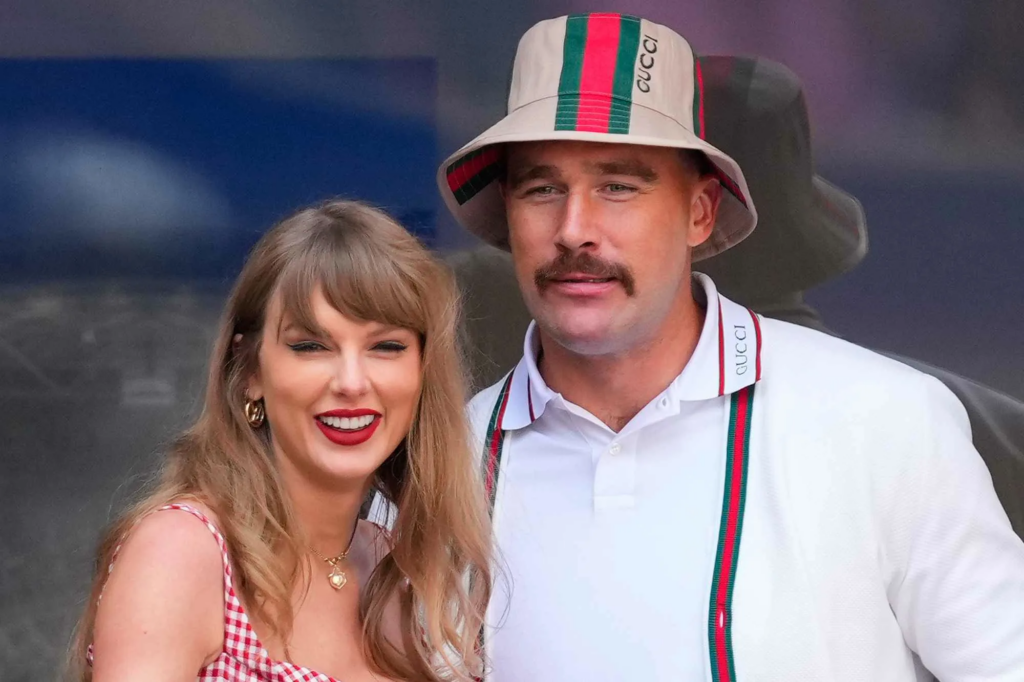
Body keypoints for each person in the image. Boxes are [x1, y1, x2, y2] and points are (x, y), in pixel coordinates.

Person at [436, 14, 1024, 681]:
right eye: (543, 188)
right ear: (507, 214)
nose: (574, 229)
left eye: (618, 186)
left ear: (700, 212)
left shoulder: (884, 420)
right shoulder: (439, 461)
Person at [70, 200, 492, 682]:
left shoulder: (388, 563)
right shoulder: (183, 551)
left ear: (422, 372)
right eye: (310, 346)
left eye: (386, 346)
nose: (352, 382)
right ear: (250, 369)